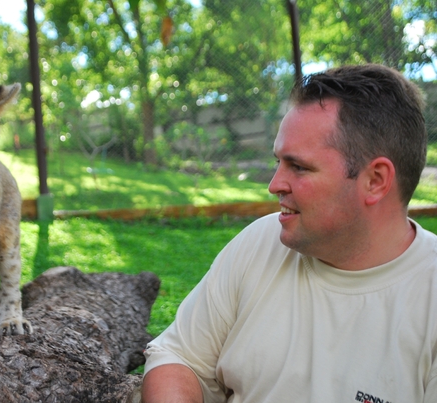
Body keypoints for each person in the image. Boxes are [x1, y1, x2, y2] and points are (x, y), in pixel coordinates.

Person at [142, 64, 437, 403]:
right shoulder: (262, 241)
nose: (274, 185)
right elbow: (179, 358)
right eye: (278, 163)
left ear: (375, 180)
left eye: (298, 167)